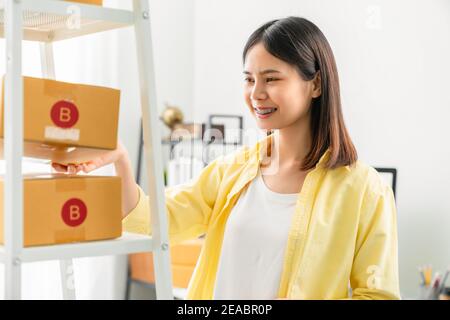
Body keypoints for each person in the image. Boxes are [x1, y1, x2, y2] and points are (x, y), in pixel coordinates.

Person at [52, 16, 400, 300]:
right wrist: (121, 160)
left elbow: (378, 294)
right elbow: (154, 220)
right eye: (249, 79)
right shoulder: (232, 171)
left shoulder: (364, 190)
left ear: (316, 85)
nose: (256, 94)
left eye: (271, 79)